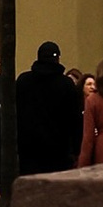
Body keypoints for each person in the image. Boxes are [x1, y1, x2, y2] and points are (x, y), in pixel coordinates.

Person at [14, 40, 86, 176]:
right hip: (59, 152)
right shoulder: (66, 85)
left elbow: (15, 114)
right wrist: (77, 150)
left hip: (29, 151)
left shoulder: (23, 82)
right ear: (57, 58)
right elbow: (75, 120)